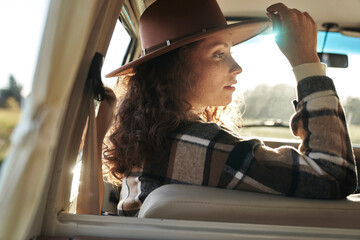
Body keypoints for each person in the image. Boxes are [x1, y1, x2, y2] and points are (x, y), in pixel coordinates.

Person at [103, 0, 358, 217]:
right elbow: (333, 174)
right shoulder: (200, 146)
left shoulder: (146, 144)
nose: (237, 67)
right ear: (173, 70)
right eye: (218, 54)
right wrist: (306, 62)